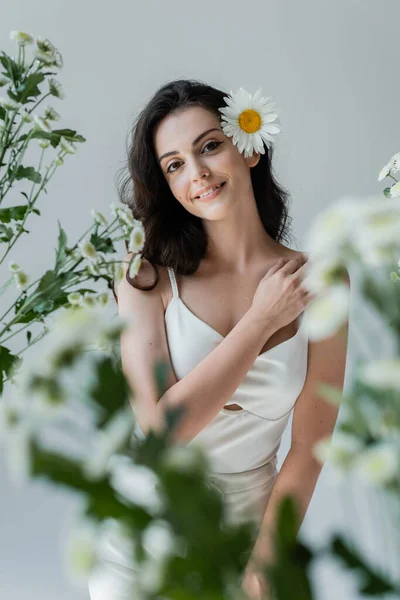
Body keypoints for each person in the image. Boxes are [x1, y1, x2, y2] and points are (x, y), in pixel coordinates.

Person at [88, 79, 350, 600]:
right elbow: (163, 429)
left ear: (248, 147)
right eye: (175, 164)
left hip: (252, 532)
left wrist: (265, 563)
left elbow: (308, 445)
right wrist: (260, 321)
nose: (198, 173)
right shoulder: (146, 277)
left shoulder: (322, 283)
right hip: (147, 535)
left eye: (209, 146)